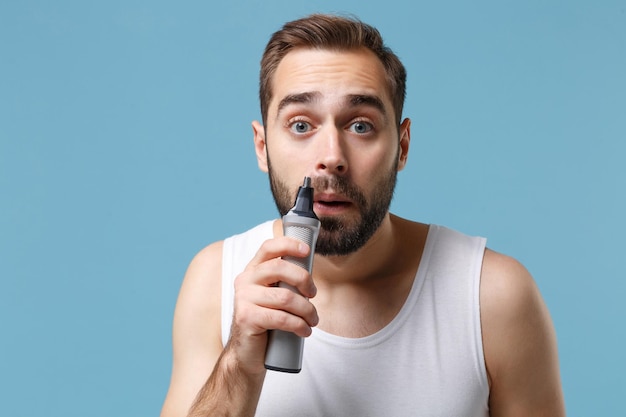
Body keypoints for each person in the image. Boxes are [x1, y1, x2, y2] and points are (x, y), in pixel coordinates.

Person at [160, 13, 565, 417]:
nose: (331, 158)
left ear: (402, 146)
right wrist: (238, 361)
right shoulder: (216, 280)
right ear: (262, 147)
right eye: (301, 125)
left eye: (360, 126)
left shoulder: (492, 295)